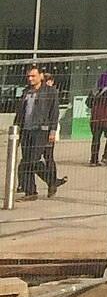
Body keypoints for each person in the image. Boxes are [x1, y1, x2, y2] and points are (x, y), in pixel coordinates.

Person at [14, 66, 63, 200]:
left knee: (33, 161)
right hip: (26, 131)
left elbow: (54, 113)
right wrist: (16, 129)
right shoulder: (26, 92)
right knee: (26, 162)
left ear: (41, 76)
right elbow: (20, 113)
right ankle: (31, 192)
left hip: (41, 130)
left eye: (33, 76)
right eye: (29, 76)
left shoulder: (50, 92)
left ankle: (51, 181)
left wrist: (53, 131)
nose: (30, 78)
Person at [88, 70, 107, 166]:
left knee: (96, 139)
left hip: (95, 118)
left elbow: (88, 103)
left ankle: (93, 160)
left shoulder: (95, 90)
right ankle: (106, 156)